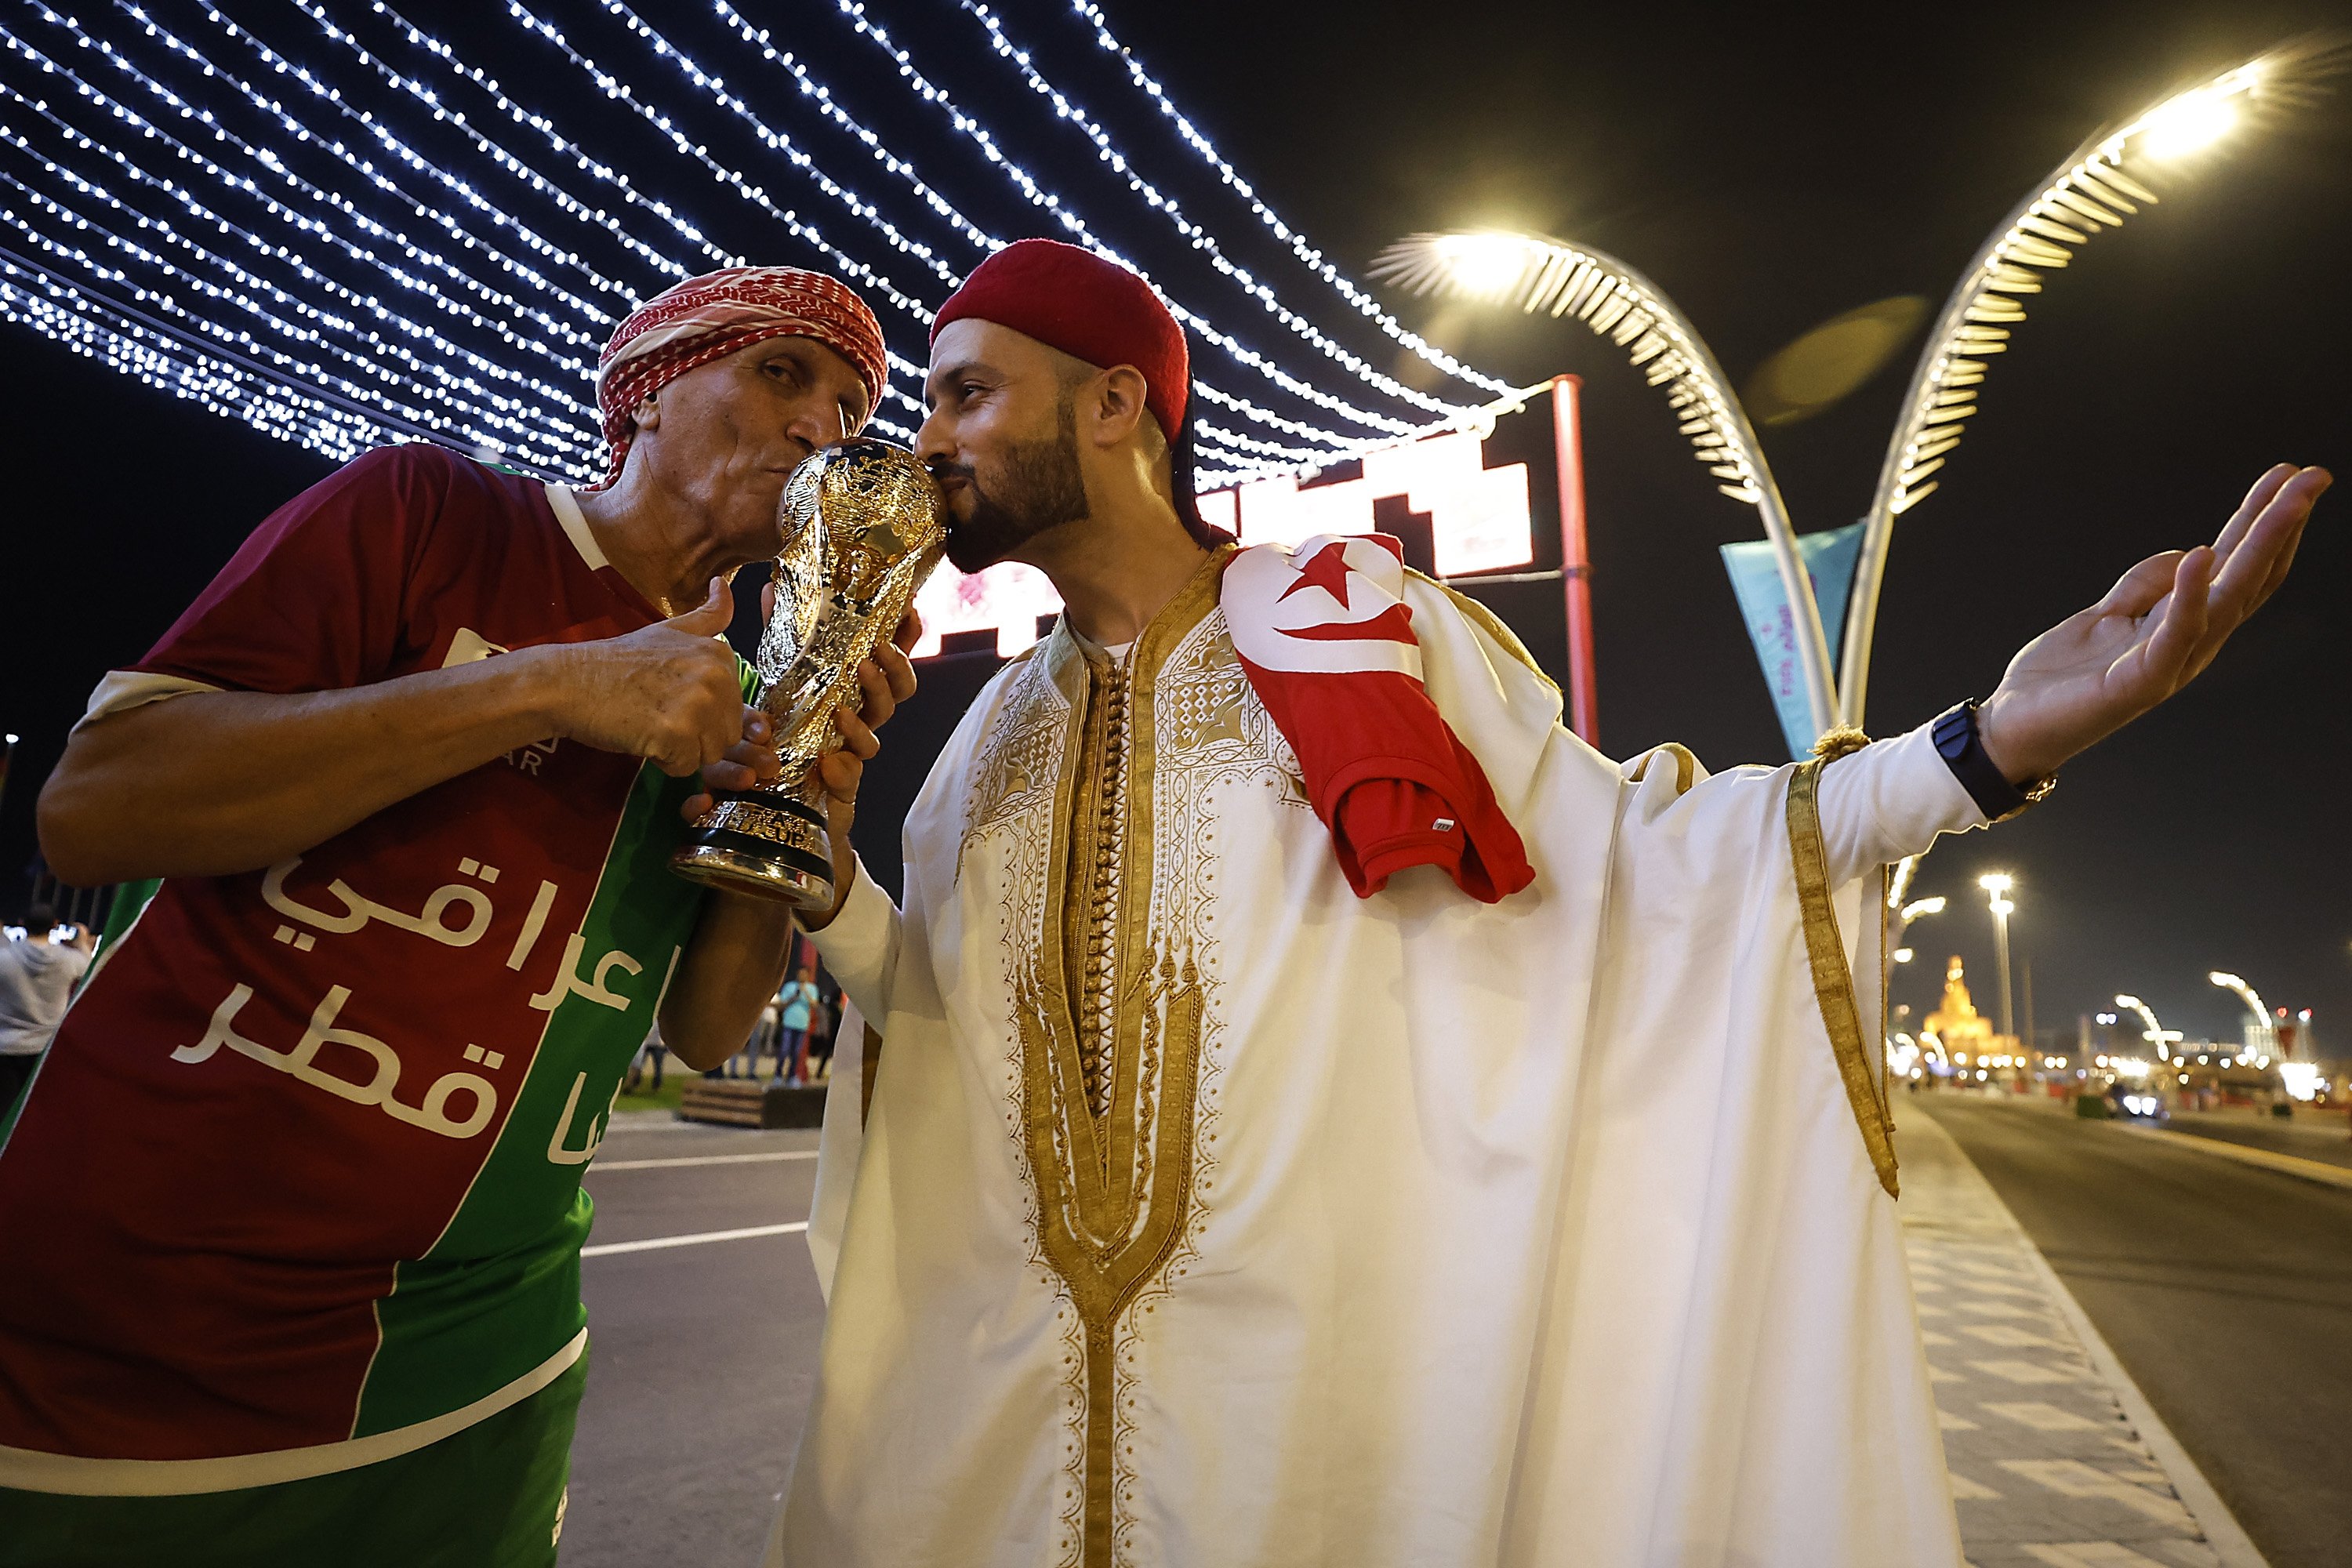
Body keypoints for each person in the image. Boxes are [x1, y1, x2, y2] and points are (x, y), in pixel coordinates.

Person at [768, 238, 2329, 1567]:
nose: (932, 440)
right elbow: (934, 1049)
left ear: (1116, 407)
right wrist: (830, 888)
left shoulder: (1345, 635)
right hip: (1005, 1455)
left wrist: (1984, 746)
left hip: (1320, 1445)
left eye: (970, 390)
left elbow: (1653, 863)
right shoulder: (980, 746)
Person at [0, 266, 919, 1567]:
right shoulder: (425, 510)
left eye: (849, 410)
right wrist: (550, 688)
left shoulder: (733, 686)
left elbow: (711, 1029)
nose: (821, 428)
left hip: (487, 1366)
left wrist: (802, 789)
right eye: (782, 375)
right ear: (649, 392)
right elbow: (94, 807)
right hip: (133, 1340)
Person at [0, 902, 93, 1113]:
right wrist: (83, 941)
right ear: (55, 925)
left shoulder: (4, 957)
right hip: (44, 1049)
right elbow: (89, 969)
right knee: (32, 1113)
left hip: (4, 1047)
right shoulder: (68, 961)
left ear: (22, 924)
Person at [776, 964, 822, 1083]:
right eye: (800, 973)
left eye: (804, 974)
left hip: (802, 1024)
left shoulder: (812, 989)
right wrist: (794, 997)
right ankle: (778, 1075)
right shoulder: (789, 986)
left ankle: (791, 1076)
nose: (802, 976)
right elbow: (782, 1004)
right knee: (784, 1050)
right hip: (789, 1023)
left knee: (796, 1053)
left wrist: (805, 992)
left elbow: (815, 1005)